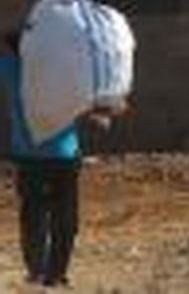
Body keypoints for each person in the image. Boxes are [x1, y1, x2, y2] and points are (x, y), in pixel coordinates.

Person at [0, 27, 118, 287]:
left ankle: (36, 270)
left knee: (33, 214)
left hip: (28, 156)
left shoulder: (8, 68)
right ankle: (57, 273)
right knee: (64, 216)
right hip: (63, 156)